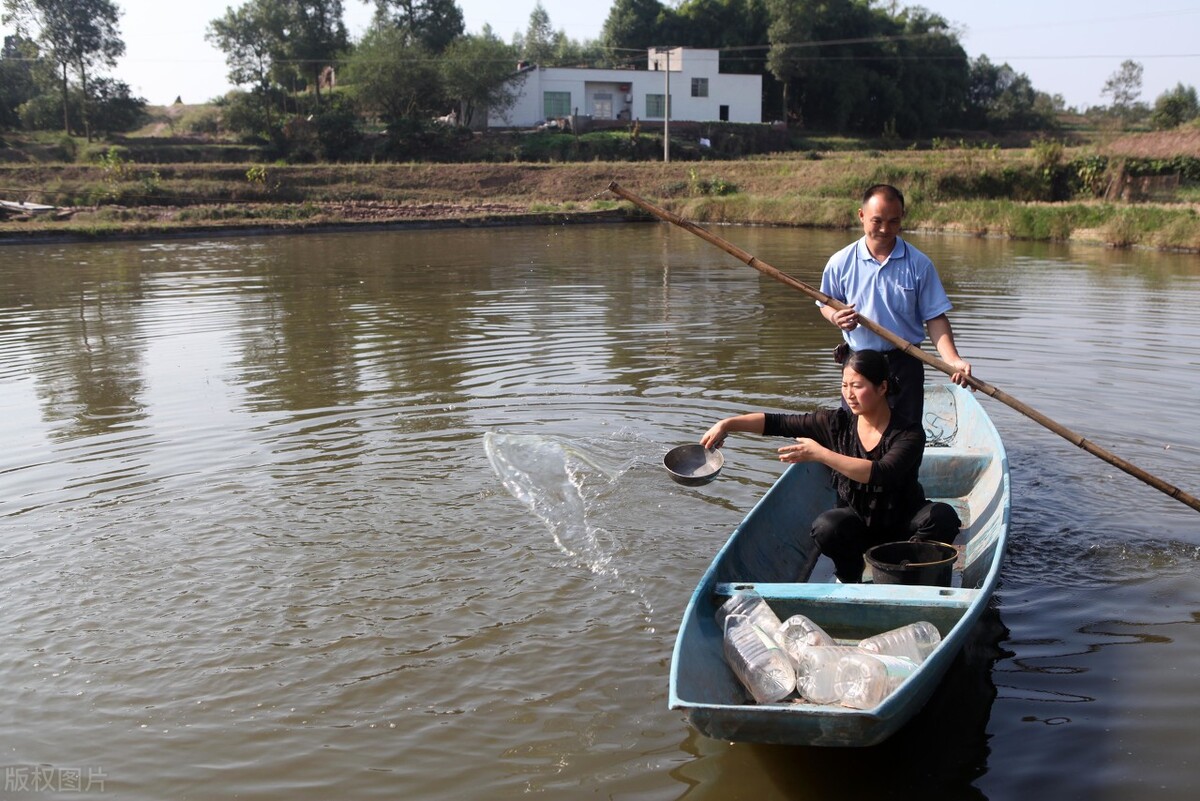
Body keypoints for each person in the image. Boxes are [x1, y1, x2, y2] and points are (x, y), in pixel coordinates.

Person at [699, 350, 960, 584]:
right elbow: (778, 423)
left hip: (903, 523)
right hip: (858, 522)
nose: (849, 393)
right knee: (827, 527)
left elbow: (882, 473)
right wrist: (728, 424)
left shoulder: (908, 432)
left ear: (882, 387)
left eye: (857, 386)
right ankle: (850, 577)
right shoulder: (836, 422)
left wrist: (822, 454)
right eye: (845, 385)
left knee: (942, 517)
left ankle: (907, 566)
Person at [818, 184, 971, 427]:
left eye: (893, 221)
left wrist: (952, 360)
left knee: (904, 435)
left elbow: (935, 317)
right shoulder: (841, 262)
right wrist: (835, 317)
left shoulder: (919, 264)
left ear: (902, 219)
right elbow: (825, 303)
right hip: (858, 363)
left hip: (904, 362)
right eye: (876, 220)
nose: (884, 229)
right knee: (852, 433)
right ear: (861, 216)